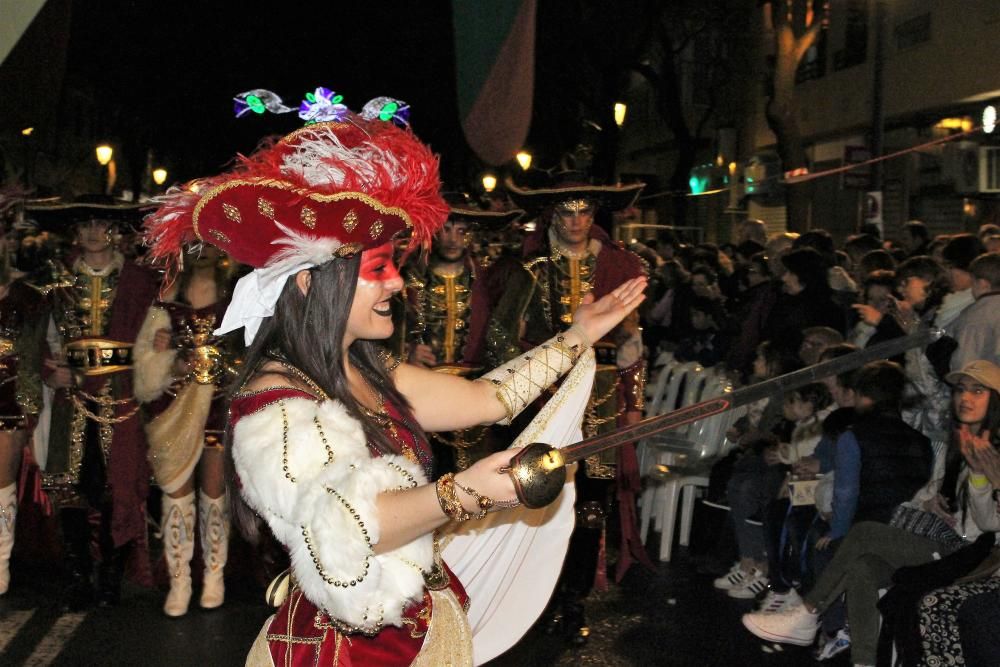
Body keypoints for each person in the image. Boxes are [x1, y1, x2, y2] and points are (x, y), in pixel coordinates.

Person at [143, 117, 646, 665]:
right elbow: (345, 529)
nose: (398, 283)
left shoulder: (371, 369)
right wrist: (461, 493)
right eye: (379, 268)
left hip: (419, 629)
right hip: (354, 651)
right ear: (313, 281)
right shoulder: (276, 404)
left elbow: (487, 400)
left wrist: (578, 335)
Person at [469, 173, 648, 645]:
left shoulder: (617, 266)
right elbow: (500, 338)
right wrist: (539, 375)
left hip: (602, 401)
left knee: (592, 507)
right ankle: (530, 598)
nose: (576, 220)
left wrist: (635, 403)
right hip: (544, 405)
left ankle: (574, 600)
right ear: (554, 215)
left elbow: (632, 340)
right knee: (536, 500)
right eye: (567, 212)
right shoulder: (530, 270)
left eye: (584, 211)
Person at [29, 196, 159, 610]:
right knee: (70, 489)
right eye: (84, 224)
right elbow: (41, 340)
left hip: (121, 399)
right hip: (69, 402)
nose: (92, 232)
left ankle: (109, 580)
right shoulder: (54, 281)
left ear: (115, 232)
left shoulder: (139, 281)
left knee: (115, 485)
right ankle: (78, 577)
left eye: (100, 224)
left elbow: (152, 340)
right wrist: (54, 372)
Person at [134, 243, 237, 616]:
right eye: (195, 244)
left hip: (218, 407)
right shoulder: (164, 306)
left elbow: (249, 355)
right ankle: (180, 581)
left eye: (211, 242)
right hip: (173, 410)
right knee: (175, 495)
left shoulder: (236, 302)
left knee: (214, 493)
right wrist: (169, 360)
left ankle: (214, 577)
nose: (204, 251)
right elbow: (144, 368)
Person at [401, 197, 522, 471]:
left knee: (474, 484)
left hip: (472, 397)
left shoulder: (487, 281)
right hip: (421, 395)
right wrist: (406, 351)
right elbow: (382, 338)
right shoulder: (406, 281)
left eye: (462, 231)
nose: (453, 239)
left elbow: (502, 335)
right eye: (446, 229)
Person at [0, 196, 49, 594]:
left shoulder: (31, 299)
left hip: (9, 403)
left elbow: (39, 357)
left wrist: (30, 407)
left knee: (1, 482)